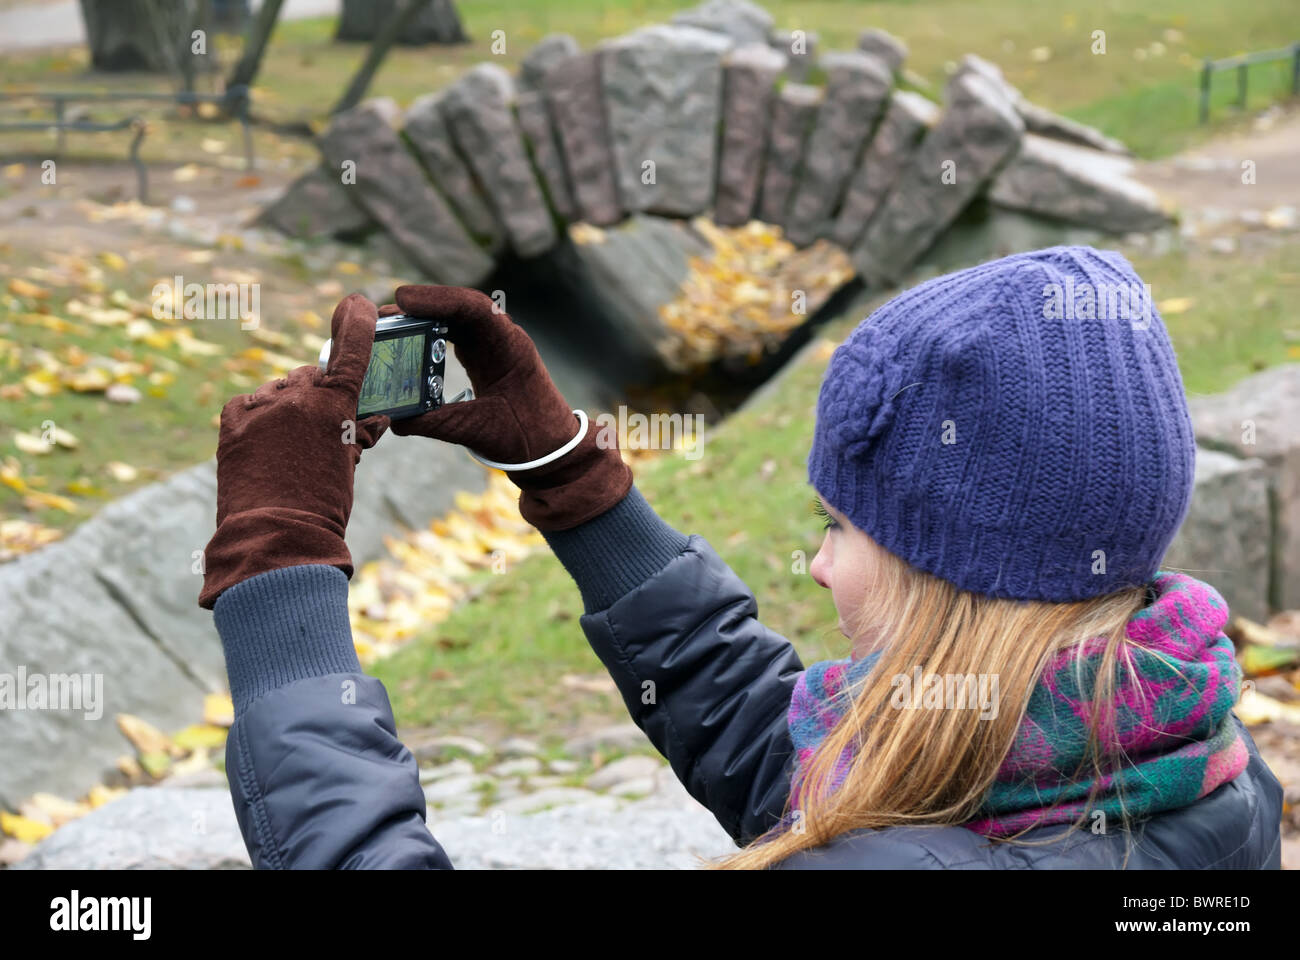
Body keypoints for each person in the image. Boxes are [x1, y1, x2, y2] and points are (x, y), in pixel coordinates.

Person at [200, 247, 1282, 869]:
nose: (816, 566)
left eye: (842, 528)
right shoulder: (1188, 759)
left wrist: (277, 574)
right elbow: (804, 763)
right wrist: (578, 483)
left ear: (957, 578)